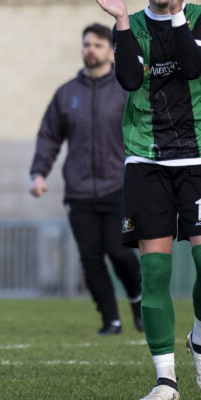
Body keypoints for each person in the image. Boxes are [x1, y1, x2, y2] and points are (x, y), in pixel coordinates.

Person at [87, 0, 201, 400]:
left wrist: (179, 13)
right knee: (155, 272)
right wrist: (123, 23)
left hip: (200, 157)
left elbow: (191, 65)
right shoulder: (132, 26)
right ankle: (165, 379)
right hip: (146, 160)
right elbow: (128, 79)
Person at [29, 23, 143, 335]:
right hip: (79, 192)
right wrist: (39, 173)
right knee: (91, 259)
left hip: (118, 187)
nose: (90, 50)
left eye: (97, 45)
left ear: (111, 51)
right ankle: (111, 320)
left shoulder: (125, 89)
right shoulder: (67, 94)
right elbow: (49, 137)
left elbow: (146, 130)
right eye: (86, 44)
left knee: (119, 252)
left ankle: (137, 299)